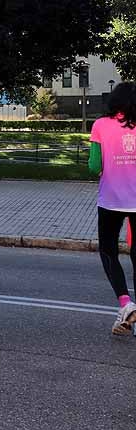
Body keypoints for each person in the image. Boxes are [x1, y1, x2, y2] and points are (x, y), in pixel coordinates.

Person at [87, 81, 136, 335]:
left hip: (111, 200)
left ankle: (126, 304)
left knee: (108, 252)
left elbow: (94, 166)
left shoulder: (100, 125)